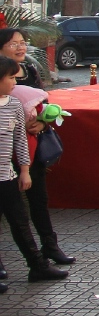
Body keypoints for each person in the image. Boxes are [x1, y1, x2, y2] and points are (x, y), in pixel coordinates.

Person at [0, 28, 75, 267]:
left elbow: (44, 103)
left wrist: (42, 123)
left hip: (30, 145)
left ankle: (49, 245)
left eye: (23, 42)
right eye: (14, 44)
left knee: (38, 199)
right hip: (4, 149)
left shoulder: (30, 69)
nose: (20, 47)